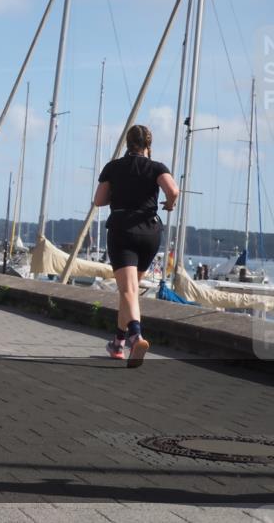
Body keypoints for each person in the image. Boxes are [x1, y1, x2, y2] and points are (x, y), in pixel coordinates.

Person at [93, 124, 179, 368]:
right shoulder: (157, 167)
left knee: (128, 290)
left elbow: (99, 200)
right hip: (150, 232)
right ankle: (118, 343)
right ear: (148, 145)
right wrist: (169, 204)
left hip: (123, 230)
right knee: (128, 291)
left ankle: (136, 336)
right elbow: (173, 190)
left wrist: (118, 192)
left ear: (127, 143)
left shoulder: (113, 167)